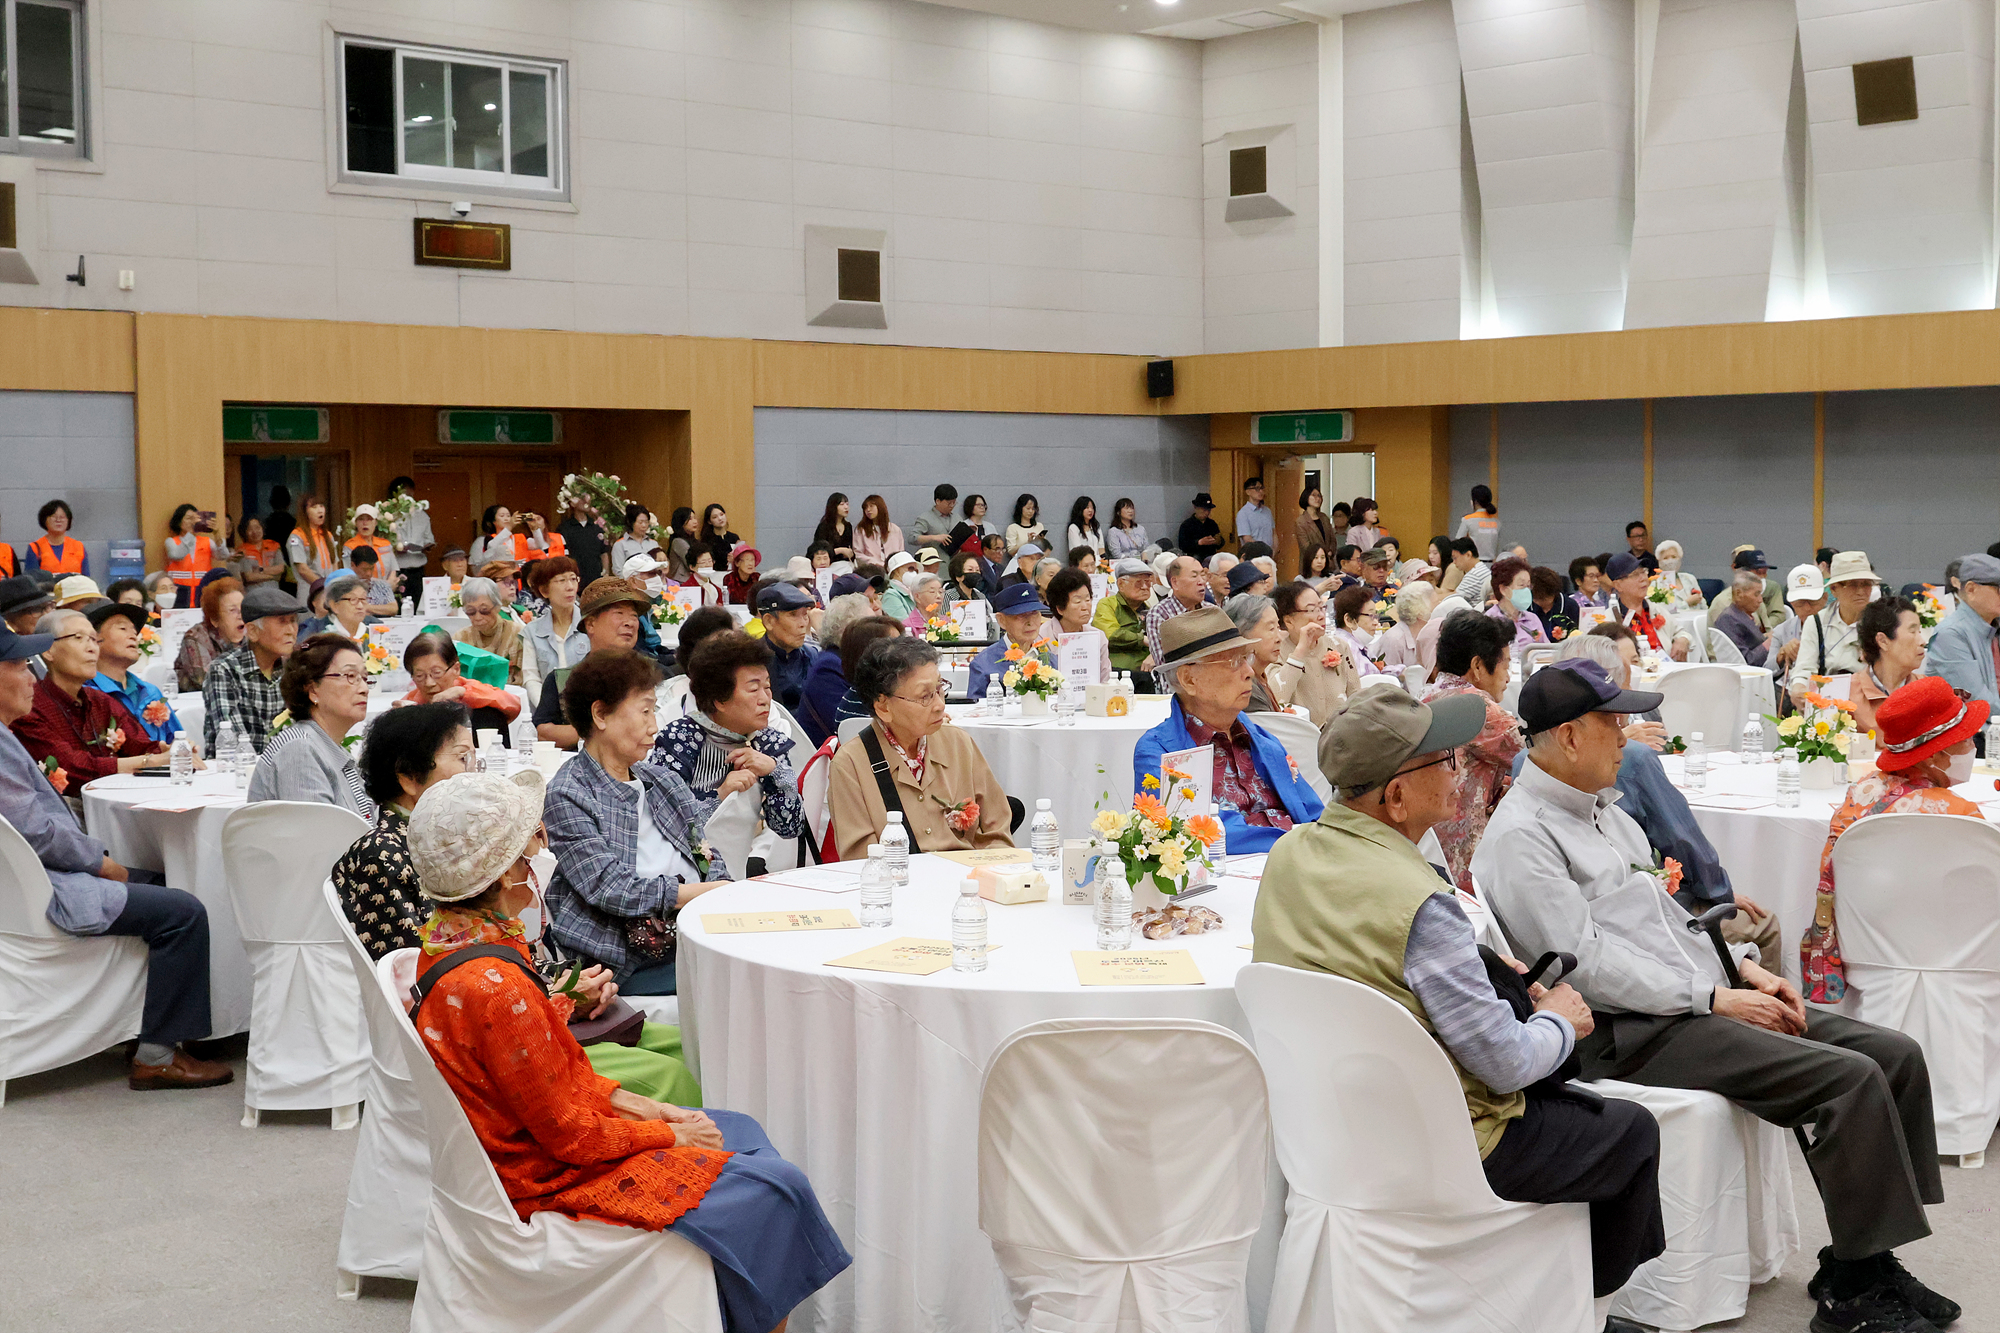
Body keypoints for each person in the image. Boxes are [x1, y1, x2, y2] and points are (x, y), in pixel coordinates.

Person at [1478, 662, 1957, 1333]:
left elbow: (1665, 918)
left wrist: (1743, 971)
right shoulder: (1521, 837)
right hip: (1623, 1033)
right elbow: (1589, 969)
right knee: (1847, 1079)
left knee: (1894, 1053)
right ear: (1568, 737)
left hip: (1681, 1000)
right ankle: (1852, 1288)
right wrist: (1713, 996)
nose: (1628, 736)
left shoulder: (1603, 810)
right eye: (1613, 722)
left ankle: (1864, 1259)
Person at [1254, 686, 1664, 1307]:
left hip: (1330, 1128)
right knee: (1631, 1133)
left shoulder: (1289, 854)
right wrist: (1558, 1020)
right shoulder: (1424, 905)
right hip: (1442, 1146)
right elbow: (1506, 1063)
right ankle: (1584, 1306)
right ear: (1395, 796)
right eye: (1444, 762)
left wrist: (1475, 967)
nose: (1457, 772)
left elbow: (1360, 955)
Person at [407, 766, 851, 1331]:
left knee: (738, 1134)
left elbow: (556, 1083)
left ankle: (737, 1308)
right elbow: (566, 1134)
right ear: (496, 878)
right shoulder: (497, 989)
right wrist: (666, 1132)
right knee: (775, 1189)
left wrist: (648, 1108)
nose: (533, 867)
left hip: (518, 1149)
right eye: (524, 857)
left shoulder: (447, 944)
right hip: (541, 1174)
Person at [0, 621, 231, 1089]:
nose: (30, 676)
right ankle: (158, 1055)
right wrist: (106, 866)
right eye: (22, 666)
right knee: (182, 909)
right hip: (45, 890)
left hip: (36, 880)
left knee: (163, 885)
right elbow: (41, 834)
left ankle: (151, 1027)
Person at [544, 649, 734, 992]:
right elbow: (608, 887)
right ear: (600, 714)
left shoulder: (664, 782)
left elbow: (705, 854)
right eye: (645, 711)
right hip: (626, 958)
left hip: (698, 932)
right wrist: (696, 893)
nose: (655, 726)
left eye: (654, 711)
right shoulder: (568, 793)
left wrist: (718, 889)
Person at [1804, 675, 1986, 1008]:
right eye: (1966, 738)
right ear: (1937, 754)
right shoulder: (1959, 815)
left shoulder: (1860, 792)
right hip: (1950, 955)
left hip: (1864, 951)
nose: (1974, 745)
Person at [1133, 607, 1322, 853]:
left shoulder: (1260, 738)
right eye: (1233, 662)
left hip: (1295, 864)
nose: (1248, 672)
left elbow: (1312, 810)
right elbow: (1187, 830)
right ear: (1190, 680)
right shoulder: (1160, 752)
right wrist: (1292, 841)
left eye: (1247, 658)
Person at [827, 637, 1013, 860]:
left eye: (940, 689)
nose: (940, 705)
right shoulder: (850, 765)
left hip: (968, 882)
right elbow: (861, 861)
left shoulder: (959, 744)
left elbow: (998, 834)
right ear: (883, 707)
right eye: (925, 696)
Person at [649, 630, 803, 868]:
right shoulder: (680, 740)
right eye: (753, 689)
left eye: (767, 687)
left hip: (741, 872)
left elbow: (789, 828)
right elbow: (665, 828)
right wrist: (720, 794)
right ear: (719, 699)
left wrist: (776, 771)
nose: (765, 699)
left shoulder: (767, 742)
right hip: (685, 874)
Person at [1419, 612, 1522, 894]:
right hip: (1470, 858)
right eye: (1505, 665)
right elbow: (1541, 759)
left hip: (1428, 846)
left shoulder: (1426, 695)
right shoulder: (1477, 709)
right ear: (1478, 665)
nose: (1509, 676)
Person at [13, 608, 171, 780]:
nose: (92, 649)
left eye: (94, 640)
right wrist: (149, 761)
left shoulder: (100, 701)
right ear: (48, 650)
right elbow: (70, 767)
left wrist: (171, 753)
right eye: (79, 638)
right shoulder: (29, 705)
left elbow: (140, 744)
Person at [245, 633, 374, 817]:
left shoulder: (326, 746)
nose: (364, 689)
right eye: (350, 676)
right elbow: (315, 838)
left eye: (365, 677)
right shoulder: (299, 749)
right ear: (313, 690)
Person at [202, 584, 299, 756]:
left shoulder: (293, 669)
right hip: (236, 772)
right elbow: (232, 740)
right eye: (282, 622)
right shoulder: (224, 670)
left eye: (293, 621)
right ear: (253, 631)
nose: (291, 631)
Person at [87, 602, 182, 746]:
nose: (133, 636)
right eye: (122, 628)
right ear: (95, 640)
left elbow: (178, 739)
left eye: (134, 631)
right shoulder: (87, 694)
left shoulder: (150, 692)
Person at [1791, 551, 1884, 698]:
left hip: (1871, 698)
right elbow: (1804, 668)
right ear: (1834, 589)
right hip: (1826, 699)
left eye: (1866, 584)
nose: (1861, 591)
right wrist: (1799, 688)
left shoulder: (1882, 622)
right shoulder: (1816, 623)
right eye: (1852, 585)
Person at [1921, 552, 2000, 722]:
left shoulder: (1990, 628)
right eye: (1999, 589)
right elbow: (1979, 702)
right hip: (1969, 737)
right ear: (1971, 590)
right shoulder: (1950, 634)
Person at [1265, 582, 1359, 724]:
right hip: (1299, 735)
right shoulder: (1276, 651)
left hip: (1339, 733)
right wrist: (1300, 650)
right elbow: (1277, 698)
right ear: (1289, 621)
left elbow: (1355, 694)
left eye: (1322, 608)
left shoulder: (1339, 645)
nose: (1321, 615)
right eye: (1312, 610)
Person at [401, 629, 522, 728]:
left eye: (436, 673)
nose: (429, 683)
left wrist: (463, 693)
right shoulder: (412, 701)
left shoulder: (468, 689)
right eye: (419, 676)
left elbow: (513, 703)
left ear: (456, 669)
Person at [520, 555, 588, 706]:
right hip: (546, 712)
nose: (570, 587)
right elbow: (531, 678)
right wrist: (547, 708)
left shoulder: (590, 624)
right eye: (561, 580)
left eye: (573, 579)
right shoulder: (532, 631)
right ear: (544, 590)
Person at [966, 583, 1053, 699]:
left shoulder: (1051, 660)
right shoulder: (983, 665)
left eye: (1034, 613)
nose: (1030, 622)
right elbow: (975, 711)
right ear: (1001, 620)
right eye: (1021, 616)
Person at [1604, 553, 1692, 661]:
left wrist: (1683, 640)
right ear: (1618, 585)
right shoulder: (1610, 619)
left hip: (1667, 670)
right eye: (1635, 574)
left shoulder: (1655, 609)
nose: (1643, 578)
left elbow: (1681, 631)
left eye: (1643, 572)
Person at [171, 574, 244, 693]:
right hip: (198, 706)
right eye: (233, 610)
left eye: (243, 609)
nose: (241, 616)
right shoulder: (195, 638)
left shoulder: (251, 635)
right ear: (215, 619)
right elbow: (207, 681)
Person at [1041, 567, 1112, 683]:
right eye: (1077, 601)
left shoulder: (1098, 636)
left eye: (1088, 599)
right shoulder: (1042, 637)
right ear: (1060, 608)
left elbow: (1105, 679)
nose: (1085, 607)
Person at [1093, 558, 1155, 688]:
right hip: (1120, 673)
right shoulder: (1108, 604)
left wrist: (1154, 654)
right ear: (1121, 584)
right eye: (1139, 583)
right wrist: (1143, 640)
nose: (1145, 587)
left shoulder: (1150, 608)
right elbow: (1110, 634)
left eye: (1148, 582)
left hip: (1148, 674)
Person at [756, 581, 815, 713]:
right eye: (793, 615)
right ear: (769, 621)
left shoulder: (814, 657)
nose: (802, 624)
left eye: (805, 614)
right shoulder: (752, 662)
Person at [455, 576, 526, 686]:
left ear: (498, 606)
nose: (478, 617)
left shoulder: (518, 634)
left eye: (484, 610)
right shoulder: (460, 638)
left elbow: (524, 678)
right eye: (471, 611)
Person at [1225, 594, 1285, 714]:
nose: (1279, 638)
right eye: (1271, 629)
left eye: (1278, 627)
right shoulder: (1245, 689)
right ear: (1242, 634)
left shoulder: (1259, 677)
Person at [1485, 555, 1549, 651]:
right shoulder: (1490, 620)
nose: (1527, 590)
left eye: (1528, 585)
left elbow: (1549, 651)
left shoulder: (1532, 619)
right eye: (1522, 585)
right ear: (1504, 589)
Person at [163, 504, 218, 609]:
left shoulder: (207, 541)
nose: (193, 522)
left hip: (202, 592)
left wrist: (218, 534)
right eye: (189, 518)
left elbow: (222, 556)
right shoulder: (171, 541)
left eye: (195, 519)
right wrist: (190, 534)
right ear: (179, 522)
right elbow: (176, 554)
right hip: (179, 593)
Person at [1713, 572, 1774, 667]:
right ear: (1739, 594)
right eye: (1756, 594)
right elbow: (1745, 662)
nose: (1760, 600)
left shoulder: (1742, 615)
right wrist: (1769, 642)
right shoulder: (1728, 619)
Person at [1378, 581, 1435, 671]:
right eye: (1435, 604)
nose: (1439, 606)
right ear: (1420, 611)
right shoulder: (1394, 639)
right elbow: (1388, 677)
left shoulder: (1432, 633)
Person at [554, 492, 609, 584]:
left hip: (596, 577)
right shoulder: (564, 528)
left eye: (587, 498)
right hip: (575, 577)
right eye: (581, 498)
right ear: (572, 503)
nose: (585, 501)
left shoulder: (597, 526)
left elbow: (604, 552)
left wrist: (606, 572)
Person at [287, 494, 338, 590]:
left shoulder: (328, 535)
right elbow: (302, 569)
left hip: (329, 591)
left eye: (321, 506)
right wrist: (322, 586)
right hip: (309, 590)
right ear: (305, 512)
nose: (320, 510)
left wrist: (333, 585)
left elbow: (334, 564)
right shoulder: (297, 536)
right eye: (314, 507)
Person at [1329, 584, 1382, 675]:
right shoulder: (1347, 647)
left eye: (1376, 616)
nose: (1376, 622)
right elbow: (1364, 681)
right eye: (1371, 616)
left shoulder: (1354, 643)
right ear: (1349, 620)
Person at [27, 499, 87, 577]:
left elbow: (87, 579)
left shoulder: (79, 546)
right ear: (44, 520)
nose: (58, 520)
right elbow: (31, 581)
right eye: (53, 517)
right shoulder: (35, 548)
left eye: (62, 517)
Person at [1525, 566, 1580, 642]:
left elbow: (1576, 635)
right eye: (1538, 599)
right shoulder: (1526, 607)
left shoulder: (1570, 605)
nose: (1542, 602)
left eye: (1546, 598)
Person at [229, 515, 283, 589]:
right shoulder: (242, 551)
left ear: (262, 528)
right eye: (250, 529)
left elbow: (280, 569)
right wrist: (273, 576)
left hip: (274, 591)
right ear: (244, 532)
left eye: (257, 527)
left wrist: (260, 570)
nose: (254, 532)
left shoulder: (274, 546)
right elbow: (250, 577)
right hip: (253, 592)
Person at [1451, 484, 1502, 562]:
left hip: (1474, 563)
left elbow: (1458, 544)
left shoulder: (1467, 520)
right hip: (1492, 564)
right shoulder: (1497, 521)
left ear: (1474, 502)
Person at [1649, 540, 1704, 611]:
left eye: (1674, 557)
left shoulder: (1689, 578)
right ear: (1659, 562)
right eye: (1665, 558)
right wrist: (1686, 603)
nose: (1670, 561)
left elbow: (1703, 604)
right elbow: (1661, 611)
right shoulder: (1655, 585)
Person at [852, 495, 903, 564]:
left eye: (871, 506)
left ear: (880, 507)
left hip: (893, 566)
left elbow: (901, 553)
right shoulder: (861, 530)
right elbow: (858, 553)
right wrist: (874, 562)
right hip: (872, 568)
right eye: (865, 507)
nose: (868, 510)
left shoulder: (895, 529)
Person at [908, 483, 958, 552]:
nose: (952, 506)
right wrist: (934, 537)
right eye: (949, 503)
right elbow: (912, 538)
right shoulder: (925, 518)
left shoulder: (957, 517)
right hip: (936, 560)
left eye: (954, 502)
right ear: (938, 501)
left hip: (955, 560)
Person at [1294, 484, 1336, 562]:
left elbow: (1332, 539)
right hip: (1310, 562)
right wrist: (1321, 555)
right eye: (1314, 495)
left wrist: (1330, 552)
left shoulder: (1324, 517)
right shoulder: (1301, 521)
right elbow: (1305, 546)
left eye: (1319, 496)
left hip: (1328, 561)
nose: (1317, 498)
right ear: (1306, 497)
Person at [1177, 492, 1222, 557]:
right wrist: (1199, 542)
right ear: (1195, 507)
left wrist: (1218, 541)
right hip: (1193, 558)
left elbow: (1219, 542)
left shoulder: (1212, 524)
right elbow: (1183, 546)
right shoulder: (1187, 525)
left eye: (1209, 510)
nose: (1206, 513)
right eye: (1204, 510)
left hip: (1210, 556)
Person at [812, 493, 854, 562]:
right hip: (827, 564)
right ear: (833, 506)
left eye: (847, 504)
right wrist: (840, 550)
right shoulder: (824, 526)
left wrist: (850, 553)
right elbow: (818, 551)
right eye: (842, 504)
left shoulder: (848, 526)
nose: (846, 507)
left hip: (844, 564)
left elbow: (850, 548)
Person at [1235, 476, 1274, 550]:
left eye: (1261, 488)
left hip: (1269, 555)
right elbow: (1247, 539)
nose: (1261, 491)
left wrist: (1273, 551)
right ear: (1248, 492)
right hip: (1253, 555)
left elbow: (1274, 534)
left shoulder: (1267, 511)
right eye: (1256, 489)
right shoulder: (1243, 513)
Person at [1061, 496, 1102, 560]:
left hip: (1097, 562)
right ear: (1080, 510)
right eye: (1087, 507)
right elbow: (1077, 552)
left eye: (1092, 508)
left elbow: (1101, 549)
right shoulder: (1074, 528)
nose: (1090, 510)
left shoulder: (1096, 526)